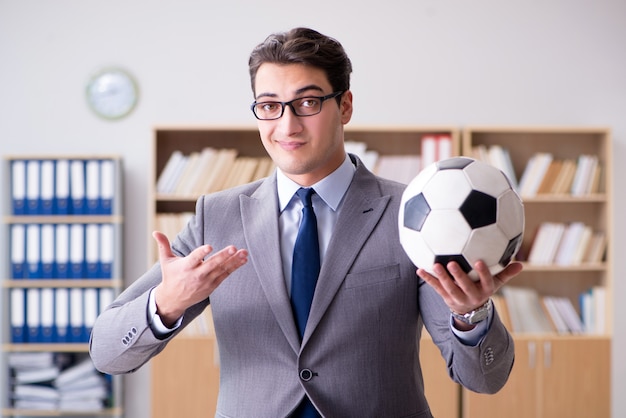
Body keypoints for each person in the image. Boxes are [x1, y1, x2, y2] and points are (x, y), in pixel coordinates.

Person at [90, 27, 521, 418]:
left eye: (308, 102)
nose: (287, 124)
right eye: (269, 106)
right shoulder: (215, 217)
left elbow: (483, 380)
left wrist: (471, 316)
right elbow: (108, 354)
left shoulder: (410, 216)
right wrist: (166, 303)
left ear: (345, 105)